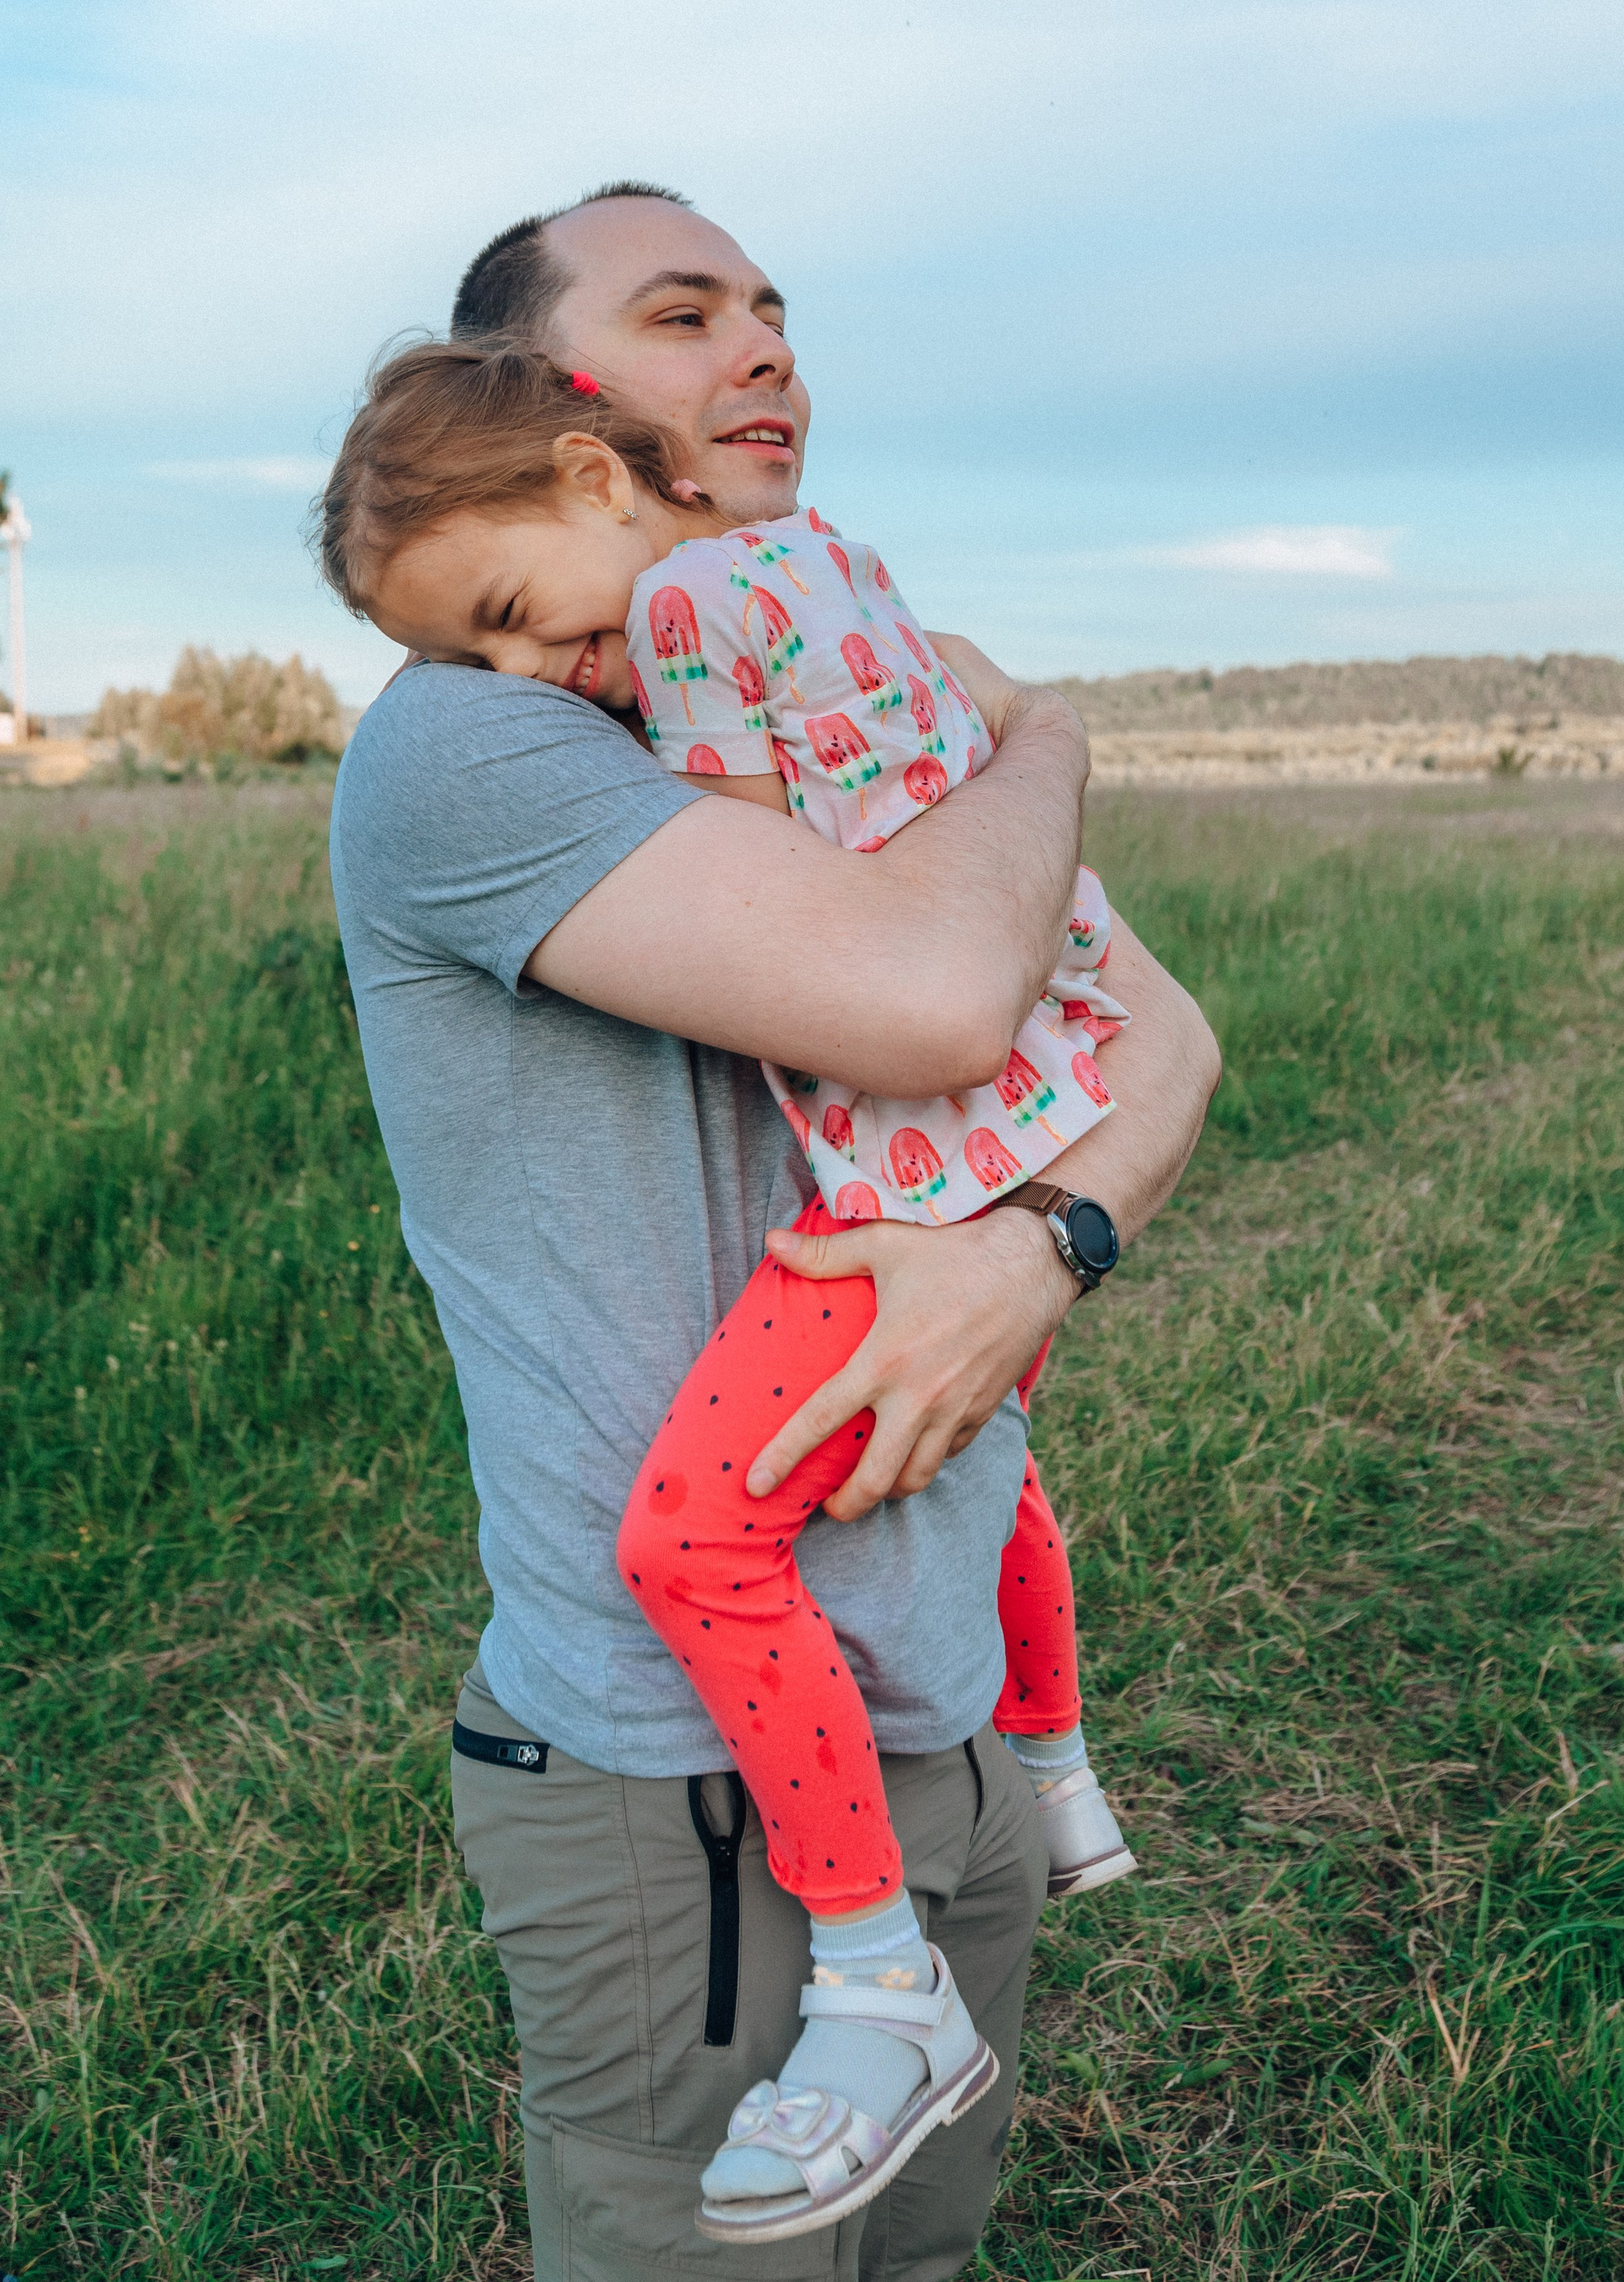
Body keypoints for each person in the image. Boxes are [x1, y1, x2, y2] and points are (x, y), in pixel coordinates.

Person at [323, 180, 1219, 2282]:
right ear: (557, 406)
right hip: (683, 1790)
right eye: (683, 313)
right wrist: (1049, 738)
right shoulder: (484, 734)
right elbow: (952, 1002)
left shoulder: (800, 670)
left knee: (921, 2260)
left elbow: (1172, 1047)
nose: (764, 348)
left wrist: (1031, 1256)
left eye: (770, 306)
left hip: (939, 1715)